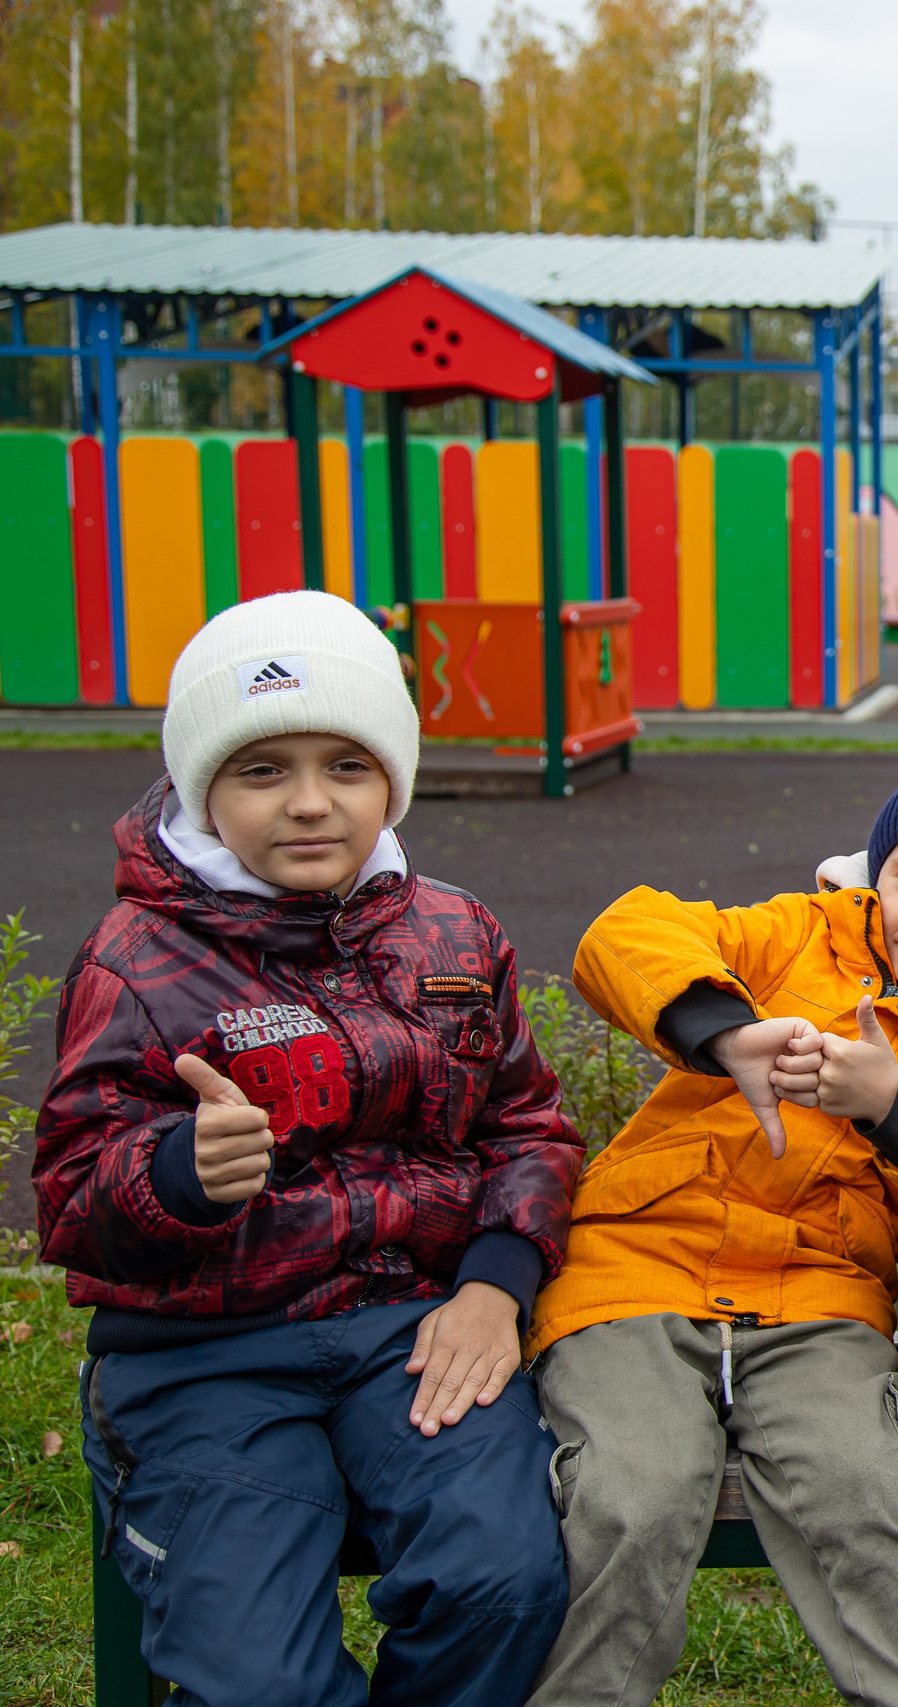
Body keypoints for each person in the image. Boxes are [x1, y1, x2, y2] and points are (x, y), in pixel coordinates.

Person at [38, 590, 582, 1707]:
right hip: (206, 1361)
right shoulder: (135, 960)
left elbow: (526, 1126)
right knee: (252, 1678)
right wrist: (177, 1176)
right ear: (202, 784)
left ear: (392, 776)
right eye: (260, 770)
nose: (308, 803)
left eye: (345, 764)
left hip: (414, 1335)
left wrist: (495, 1285)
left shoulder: (452, 928)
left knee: (504, 1579)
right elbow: (70, 1198)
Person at [526, 720, 898, 1707]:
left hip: (817, 1307)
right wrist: (722, 1031)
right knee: (634, 1493)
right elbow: (626, 932)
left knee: (866, 1490)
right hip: (632, 1276)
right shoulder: (796, 933)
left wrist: (897, 1106)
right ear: (877, 868)